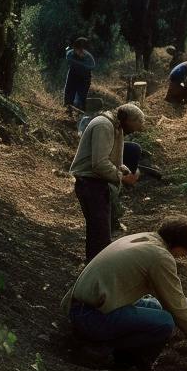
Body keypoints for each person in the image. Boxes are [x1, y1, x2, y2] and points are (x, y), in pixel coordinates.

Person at [63, 215, 187, 369]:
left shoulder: (144, 239)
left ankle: (112, 348)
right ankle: (103, 349)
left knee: (155, 306)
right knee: (164, 322)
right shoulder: (160, 257)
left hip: (80, 308)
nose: (181, 257)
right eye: (184, 253)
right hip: (91, 317)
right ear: (179, 245)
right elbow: (176, 302)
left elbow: (167, 299)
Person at [70, 104, 145, 261]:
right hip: (90, 183)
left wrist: (124, 170)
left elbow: (112, 159)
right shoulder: (104, 125)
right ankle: (95, 272)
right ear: (126, 119)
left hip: (97, 182)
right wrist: (122, 178)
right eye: (133, 128)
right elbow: (99, 164)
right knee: (100, 235)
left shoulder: (116, 126)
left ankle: (93, 267)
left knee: (99, 232)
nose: (132, 132)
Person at [64, 37, 95, 111]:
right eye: (79, 50)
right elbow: (68, 57)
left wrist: (81, 65)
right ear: (75, 49)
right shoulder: (71, 54)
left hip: (85, 77)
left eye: (83, 51)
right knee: (69, 92)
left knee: (81, 96)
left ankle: (81, 111)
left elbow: (91, 66)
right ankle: (68, 109)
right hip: (73, 75)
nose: (82, 53)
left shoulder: (89, 59)